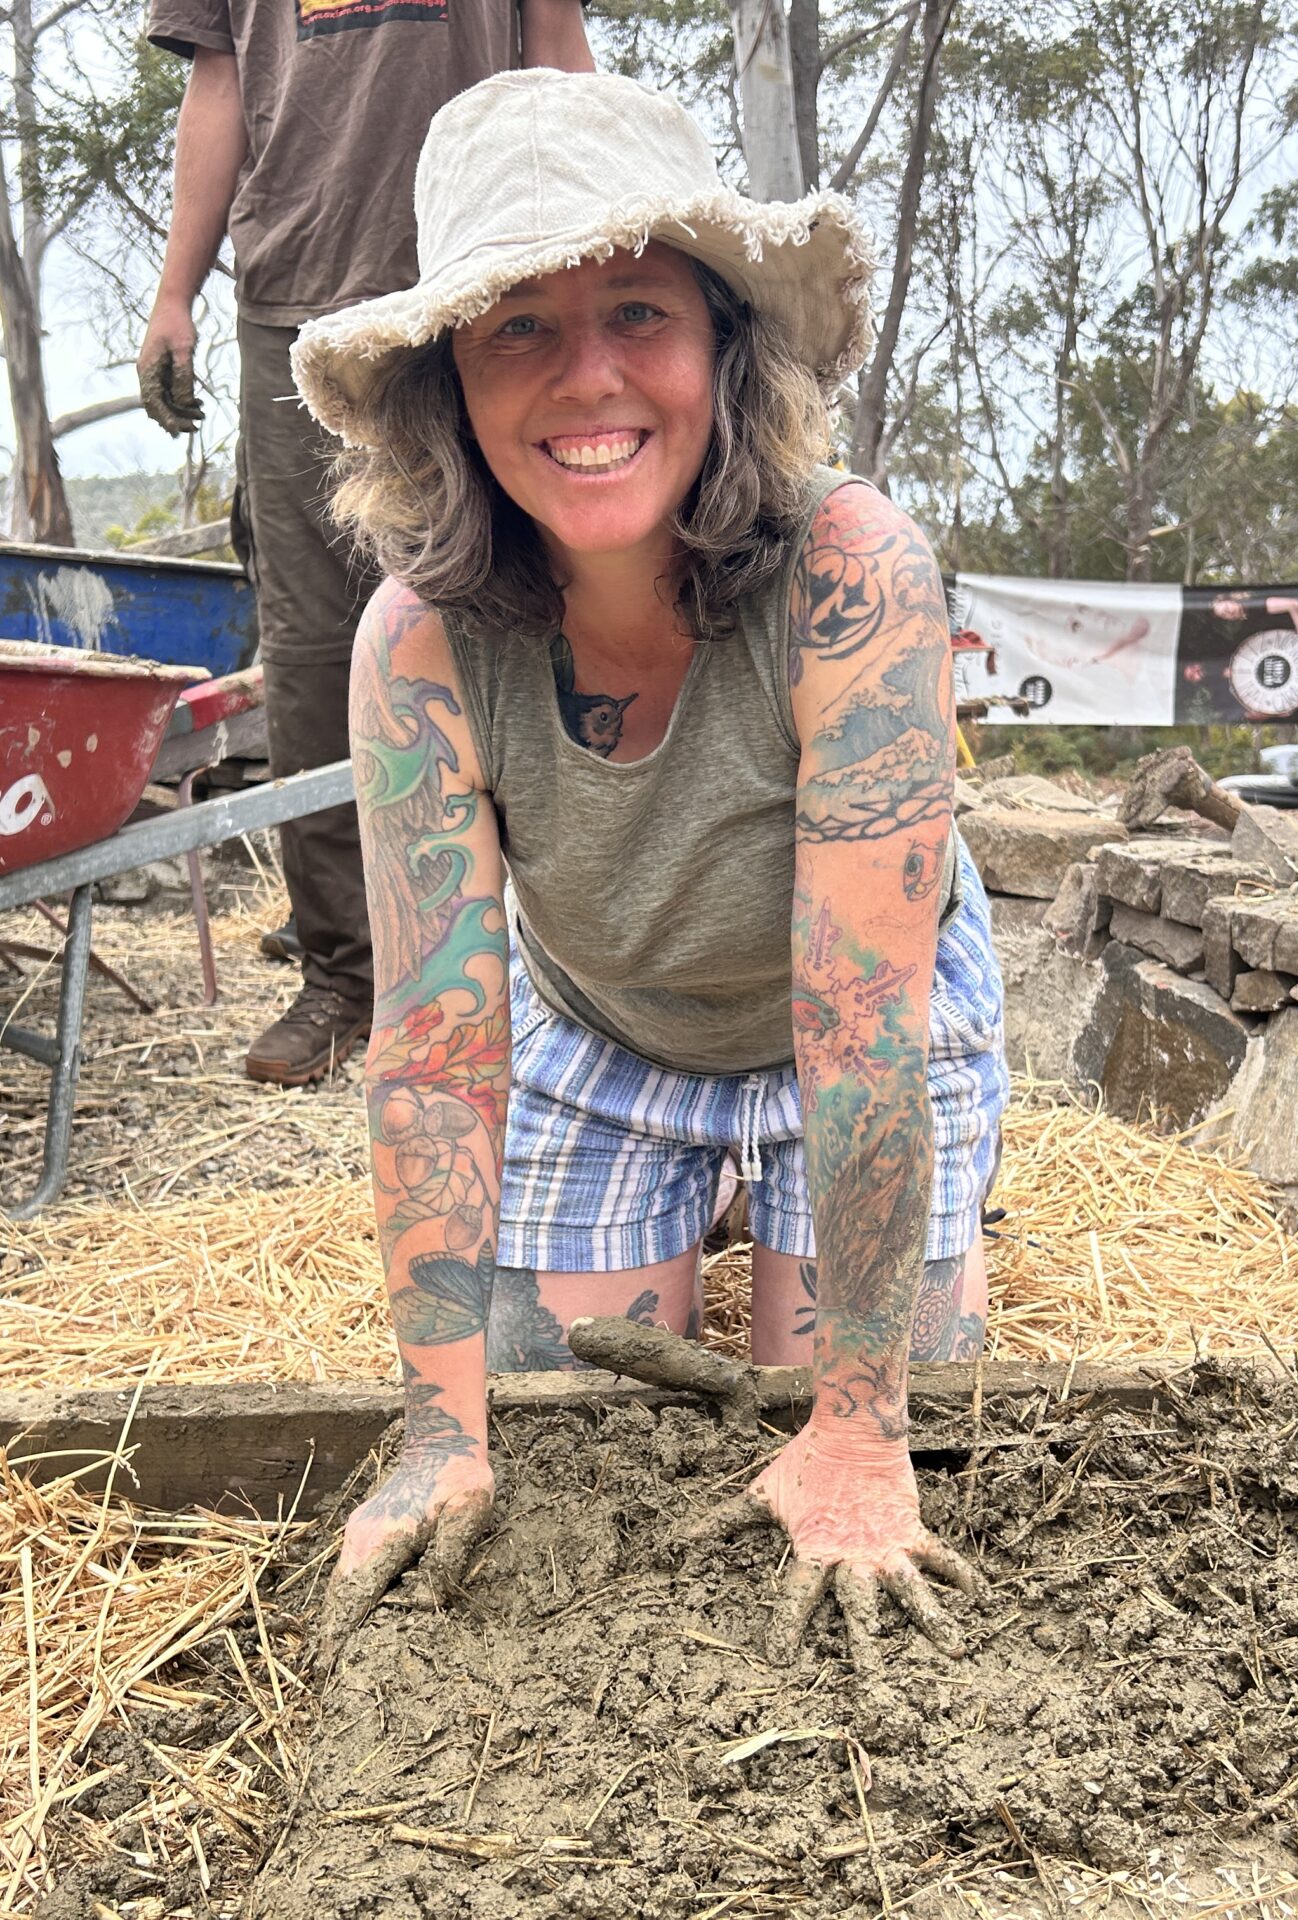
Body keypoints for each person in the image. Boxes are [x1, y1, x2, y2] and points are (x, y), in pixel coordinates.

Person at [300, 70, 1007, 1666]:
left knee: (904, 1408)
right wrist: (438, 1432)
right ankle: (685, 1203)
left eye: (638, 312)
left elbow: (862, 1027)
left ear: (724, 346)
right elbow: (433, 1049)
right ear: (447, 386)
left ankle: (824, 1237)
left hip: (856, 1029)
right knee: (563, 1407)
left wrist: (857, 1424)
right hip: (607, 1025)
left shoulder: (852, 574)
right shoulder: (419, 642)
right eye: (519, 329)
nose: (590, 377)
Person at [135, 0, 592, 1089]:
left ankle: (550, 961)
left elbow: (554, 48)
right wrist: (173, 292)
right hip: (291, 294)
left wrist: (591, 246)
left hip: (475, 273)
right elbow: (218, 83)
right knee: (312, 651)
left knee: (523, 602)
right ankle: (345, 973)